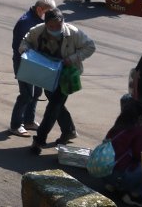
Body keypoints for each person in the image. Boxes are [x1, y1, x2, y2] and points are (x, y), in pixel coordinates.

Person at [19, 8, 96, 154]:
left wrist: (71, 59)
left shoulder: (73, 32)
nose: (55, 29)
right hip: (46, 73)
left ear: (63, 22)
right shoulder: (38, 30)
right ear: (46, 24)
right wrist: (25, 51)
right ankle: (69, 131)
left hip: (65, 76)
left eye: (58, 26)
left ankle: (39, 140)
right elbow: (25, 41)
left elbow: (90, 46)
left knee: (53, 107)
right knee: (57, 105)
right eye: (51, 26)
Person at [9, 0, 57, 137]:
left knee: (36, 93)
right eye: (48, 13)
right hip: (24, 63)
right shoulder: (26, 23)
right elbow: (19, 48)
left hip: (37, 62)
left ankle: (29, 121)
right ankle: (15, 125)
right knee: (26, 95)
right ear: (39, 9)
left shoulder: (38, 19)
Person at [95, 96, 142, 207]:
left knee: (121, 161)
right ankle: (134, 195)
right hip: (120, 176)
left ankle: (112, 185)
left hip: (104, 172)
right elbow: (139, 155)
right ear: (139, 116)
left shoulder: (117, 126)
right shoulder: (139, 131)